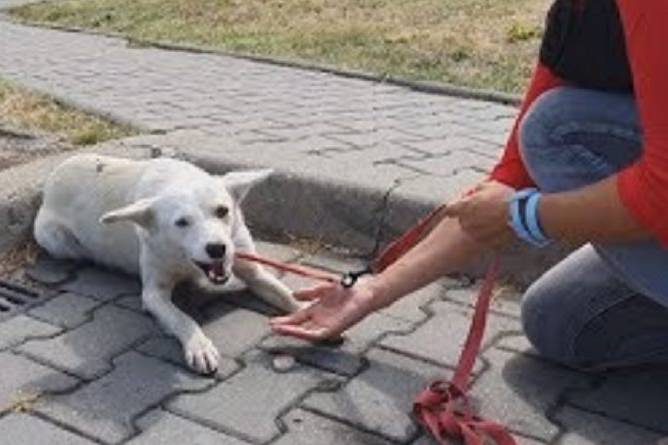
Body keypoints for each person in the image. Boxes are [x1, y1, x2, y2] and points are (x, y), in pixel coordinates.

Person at [270, 0, 668, 371]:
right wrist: (376, 289)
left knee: (557, 127)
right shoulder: (580, 16)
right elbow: (510, 179)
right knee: (559, 323)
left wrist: (524, 215)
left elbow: (660, 192)